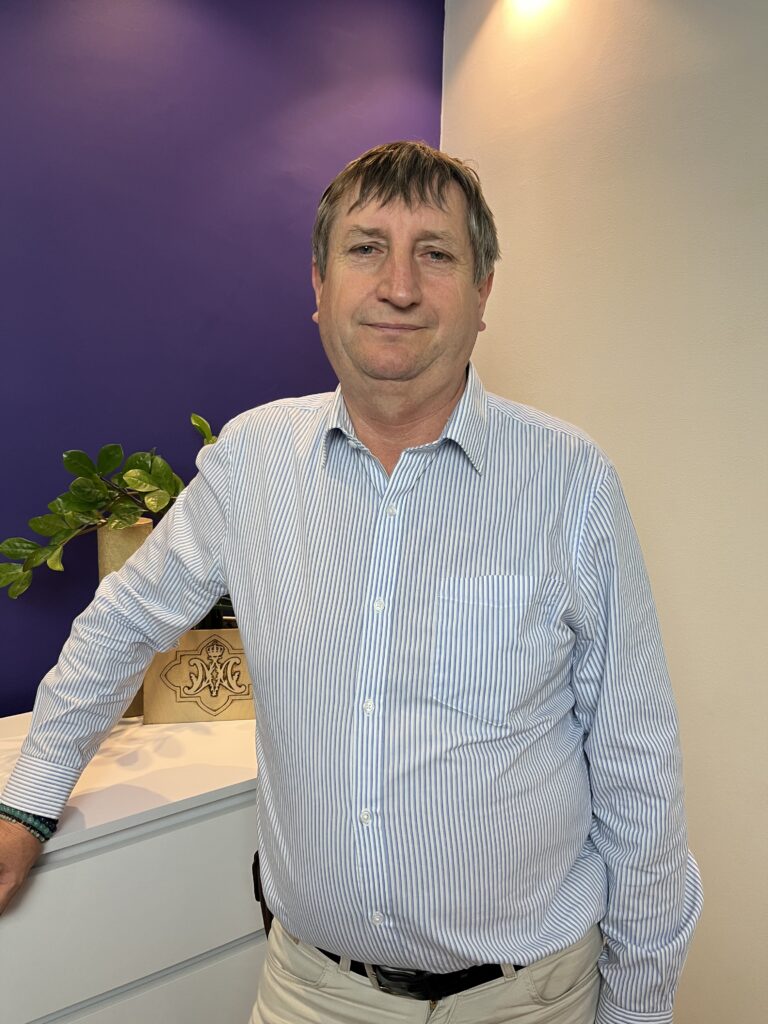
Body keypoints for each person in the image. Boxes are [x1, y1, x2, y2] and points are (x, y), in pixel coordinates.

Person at [0, 141, 702, 1023]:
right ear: (319, 284)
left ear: (483, 291)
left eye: (435, 254)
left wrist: (638, 1010)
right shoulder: (253, 460)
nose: (399, 287)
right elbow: (123, 623)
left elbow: (638, 769)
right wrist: (28, 806)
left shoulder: (571, 483)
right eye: (367, 248)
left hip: (526, 999)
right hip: (314, 993)